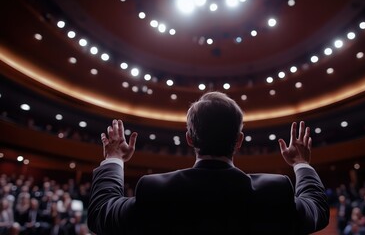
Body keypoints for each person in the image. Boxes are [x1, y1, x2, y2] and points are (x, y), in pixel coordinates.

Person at [87, 91, 329, 234]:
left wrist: (114, 159)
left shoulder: (155, 190)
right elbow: (316, 209)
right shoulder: (275, 192)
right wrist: (301, 163)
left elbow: (100, 214)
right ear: (239, 141)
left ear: (189, 138)